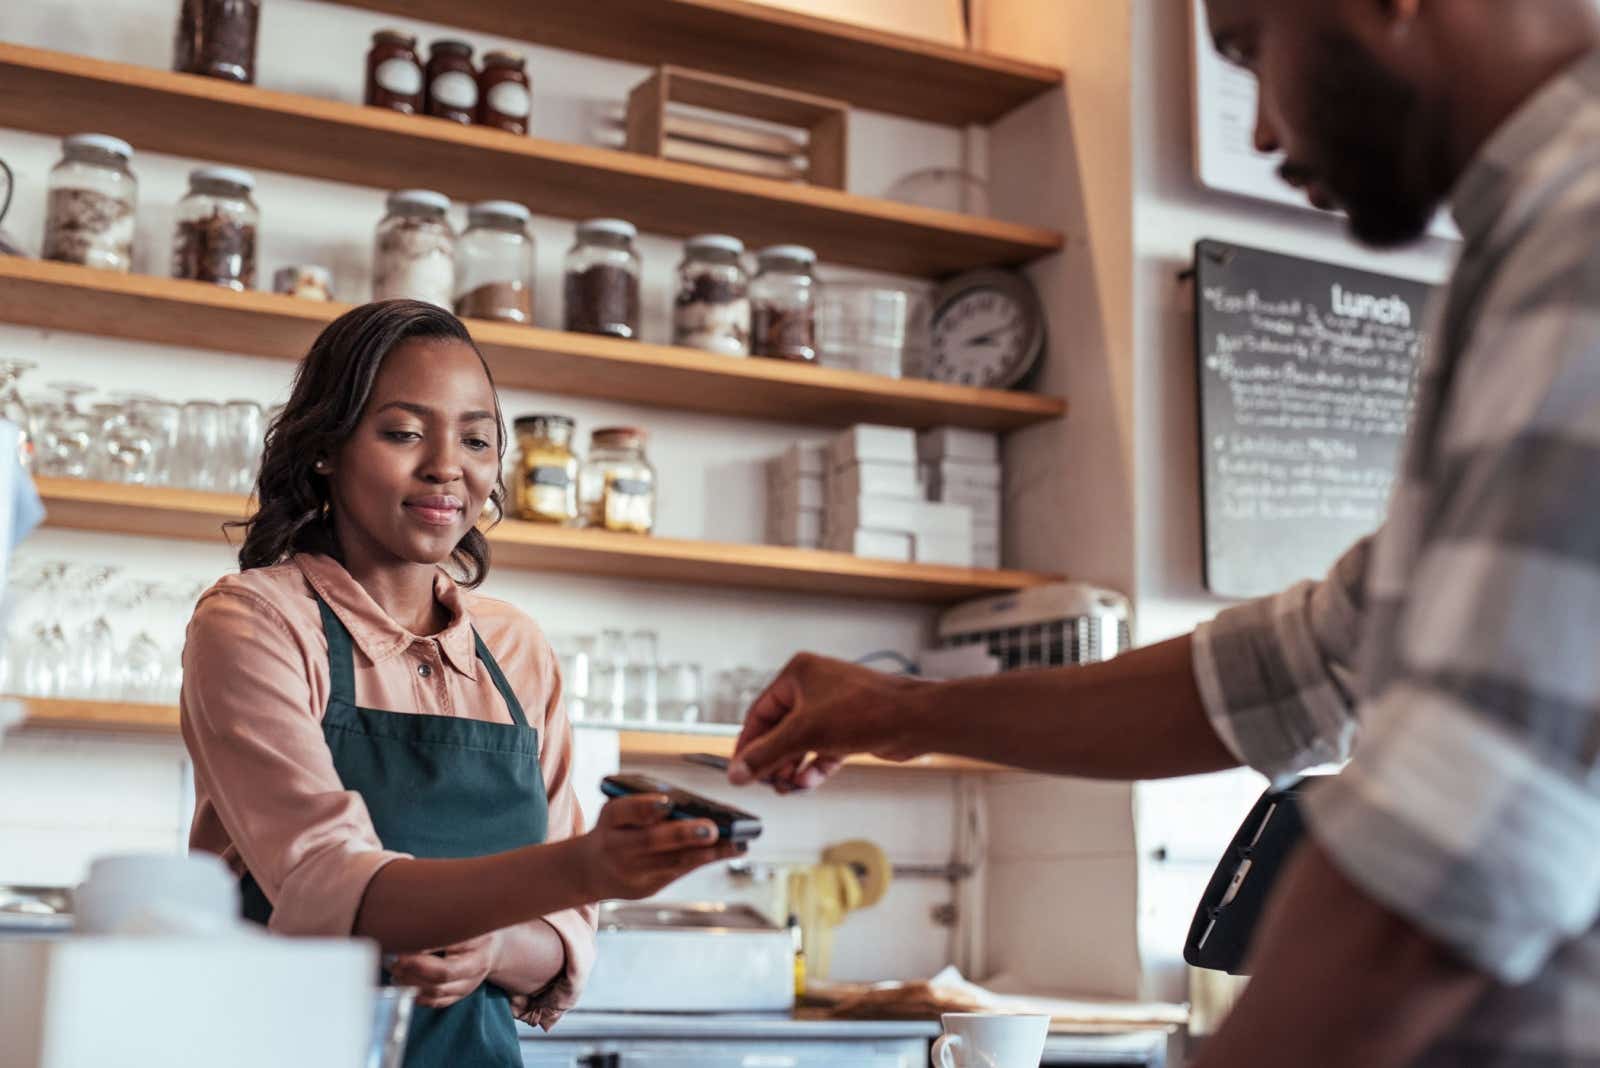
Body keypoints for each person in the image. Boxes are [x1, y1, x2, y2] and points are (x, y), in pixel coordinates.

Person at [728, 2, 1600, 1065]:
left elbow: (1440, 870)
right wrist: (902, 708)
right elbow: (1297, 666)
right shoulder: (1529, 248)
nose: (1264, 132)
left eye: (1245, 47)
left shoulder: (1578, 247)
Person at [180, 300, 741, 1068]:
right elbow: (324, 885)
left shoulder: (515, 646)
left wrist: (493, 946)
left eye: (476, 439)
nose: (449, 466)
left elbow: (565, 935)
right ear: (324, 450)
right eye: (405, 432)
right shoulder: (256, 622)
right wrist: (587, 866)